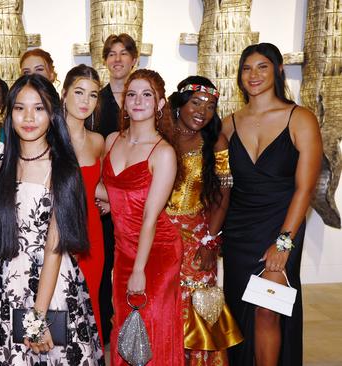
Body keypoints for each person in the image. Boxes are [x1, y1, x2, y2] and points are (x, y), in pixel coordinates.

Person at [0, 74, 104, 365]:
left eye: (39, 108)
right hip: (9, 284)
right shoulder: (3, 166)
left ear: (52, 113)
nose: (28, 117)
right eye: (20, 108)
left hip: (51, 287)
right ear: (9, 113)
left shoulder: (62, 168)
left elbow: (54, 247)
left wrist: (37, 317)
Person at [221, 43, 322, 366]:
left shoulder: (300, 119)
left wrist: (284, 242)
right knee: (239, 314)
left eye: (262, 67)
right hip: (239, 233)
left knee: (268, 309)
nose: (254, 75)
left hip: (282, 227)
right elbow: (218, 184)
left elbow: (305, 189)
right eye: (247, 68)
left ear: (278, 70)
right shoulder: (228, 123)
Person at [101, 69, 183, 366]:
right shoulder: (112, 140)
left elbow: (150, 216)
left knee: (149, 326)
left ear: (160, 103)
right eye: (131, 94)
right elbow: (108, 188)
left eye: (147, 94)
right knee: (124, 325)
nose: (138, 101)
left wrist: (138, 269)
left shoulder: (163, 153)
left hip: (157, 252)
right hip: (123, 249)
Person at [167, 75, 243, 365]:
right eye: (196, 103)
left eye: (210, 106)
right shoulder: (161, 134)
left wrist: (210, 241)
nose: (202, 111)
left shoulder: (216, 141)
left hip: (199, 235)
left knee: (199, 306)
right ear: (180, 104)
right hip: (160, 234)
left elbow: (222, 197)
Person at [96, 33, 139, 343]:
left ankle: (135, 329)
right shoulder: (95, 101)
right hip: (100, 199)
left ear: (134, 59)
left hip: (135, 198)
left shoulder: (142, 97)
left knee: (134, 268)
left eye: (124, 53)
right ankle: (103, 334)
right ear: (105, 61)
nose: (118, 59)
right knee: (102, 269)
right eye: (111, 54)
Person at [61, 64, 106, 346]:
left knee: (88, 309)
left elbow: (97, 185)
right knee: (57, 313)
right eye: (78, 92)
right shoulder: (46, 137)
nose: (84, 101)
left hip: (92, 237)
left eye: (92, 95)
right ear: (64, 93)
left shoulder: (98, 141)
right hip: (57, 235)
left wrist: (108, 198)